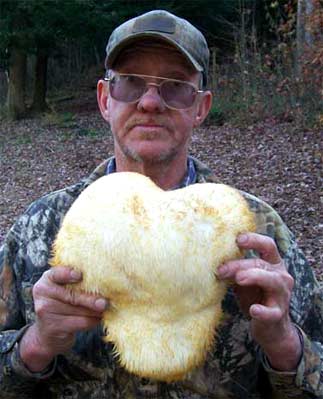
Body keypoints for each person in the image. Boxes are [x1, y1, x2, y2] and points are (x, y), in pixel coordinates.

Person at [0, 9, 322, 399]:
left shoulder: (258, 233)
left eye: (175, 87)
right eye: (130, 83)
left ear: (201, 107)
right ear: (105, 99)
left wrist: (285, 344)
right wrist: (34, 345)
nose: (150, 102)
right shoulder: (42, 228)